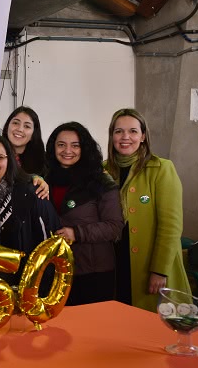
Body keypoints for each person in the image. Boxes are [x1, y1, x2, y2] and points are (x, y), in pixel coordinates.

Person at [104, 108, 190, 312]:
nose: (125, 137)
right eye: (119, 131)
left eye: (133, 131)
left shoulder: (161, 168)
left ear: (143, 136)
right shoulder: (103, 170)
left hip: (148, 266)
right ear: (112, 135)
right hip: (115, 261)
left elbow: (171, 226)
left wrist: (159, 270)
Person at [0, 135, 61, 288]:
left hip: (24, 287)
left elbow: (51, 245)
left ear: (9, 161)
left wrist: (38, 289)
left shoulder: (32, 192)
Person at [45, 122, 124, 305]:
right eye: (61, 144)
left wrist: (76, 233)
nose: (67, 150)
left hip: (94, 271)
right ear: (53, 147)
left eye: (75, 145)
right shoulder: (46, 179)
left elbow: (114, 226)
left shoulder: (101, 181)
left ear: (84, 148)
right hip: (57, 270)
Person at [2, 106, 48, 177]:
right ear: (7, 127)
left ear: (33, 134)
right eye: (16, 123)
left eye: (27, 126)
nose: (20, 129)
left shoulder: (43, 160)